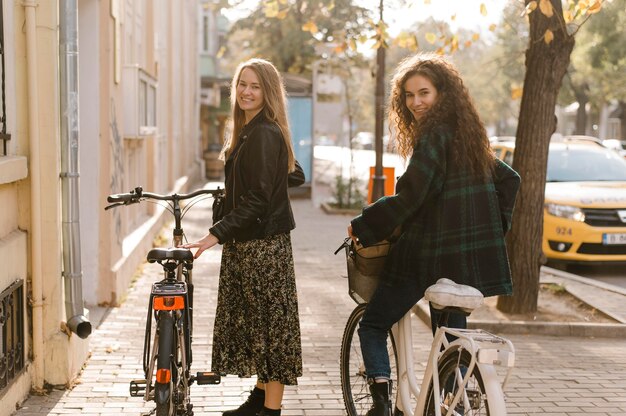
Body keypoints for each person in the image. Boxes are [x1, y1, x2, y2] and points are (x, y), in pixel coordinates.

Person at [347, 53, 520, 416]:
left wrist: (363, 225)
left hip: (425, 260)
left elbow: (411, 195)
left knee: (374, 323)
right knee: (450, 344)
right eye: (408, 96)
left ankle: (379, 405)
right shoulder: (468, 137)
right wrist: (492, 229)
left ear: (443, 93)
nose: (415, 103)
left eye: (423, 93)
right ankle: (452, 404)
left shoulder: (434, 137)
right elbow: (510, 179)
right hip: (466, 265)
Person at [183, 58, 304, 416]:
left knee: (271, 331)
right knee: (258, 326)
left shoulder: (265, 132)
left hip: (264, 247)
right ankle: (259, 398)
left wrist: (214, 235)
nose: (247, 92)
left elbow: (260, 196)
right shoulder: (249, 130)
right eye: (242, 84)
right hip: (249, 244)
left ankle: (271, 410)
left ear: (268, 92)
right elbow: (290, 176)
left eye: (255, 86)